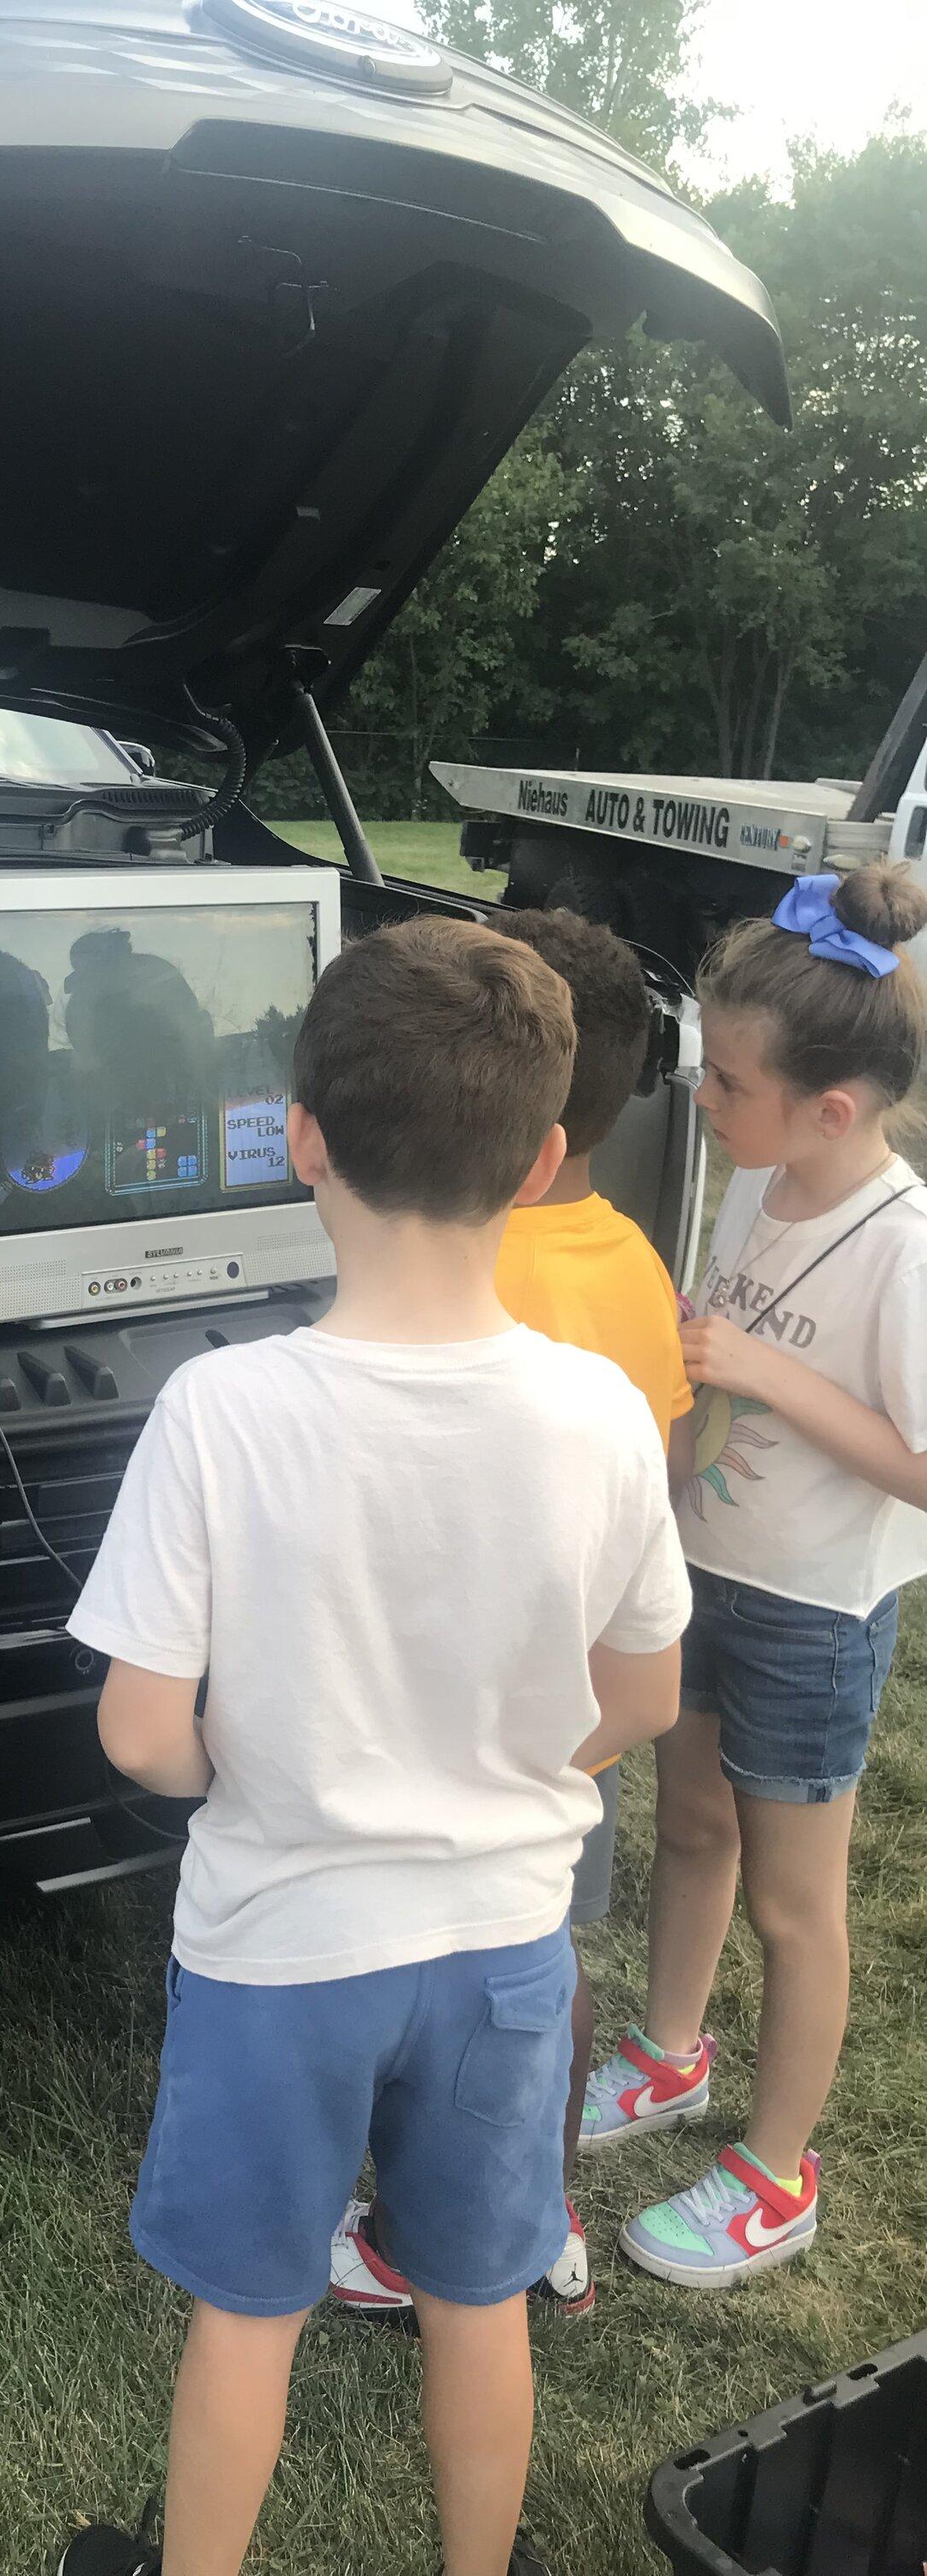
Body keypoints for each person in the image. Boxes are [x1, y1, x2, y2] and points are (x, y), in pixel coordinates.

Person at [58, 917, 690, 2576]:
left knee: (248, 2312)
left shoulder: (220, 1408)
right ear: (547, 1156)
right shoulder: (600, 1416)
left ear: (299, 1139)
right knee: (479, 2296)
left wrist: (249, 1774)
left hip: (281, 1946)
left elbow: (141, 1735)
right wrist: (525, 1775)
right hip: (502, 1947)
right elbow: (641, 1703)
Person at [329, 910, 694, 2326]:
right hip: (580, 1715)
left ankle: (432, 2231)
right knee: (543, 1978)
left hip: (455, 1724)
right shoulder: (630, 1262)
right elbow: (649, 1488)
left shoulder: (493, 1281)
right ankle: (539, 2227)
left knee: (426, 1993)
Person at [585, 863, 927, 2287]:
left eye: (725, 1084)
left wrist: (764, 1371)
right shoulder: (755, 1187)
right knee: (689, 1829)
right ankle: (669, 2053)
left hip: (810, 1613)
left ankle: (774, 2173)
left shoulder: (899, 1245)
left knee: (796, 1904)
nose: (703, 1106)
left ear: (831, 1108)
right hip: (705, 1574)